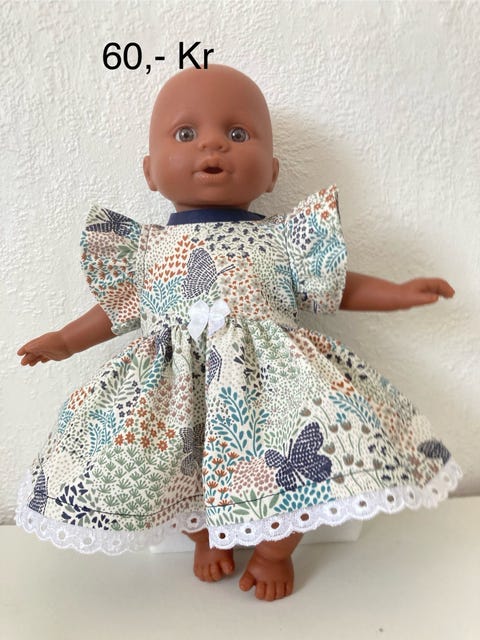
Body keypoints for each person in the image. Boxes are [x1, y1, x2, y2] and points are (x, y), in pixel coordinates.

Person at [17, 64, 461, 602]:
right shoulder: (144, 249)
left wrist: (397, 292)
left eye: (237, 133)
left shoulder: (283, 241)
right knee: (163, 468)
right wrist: (65, 341)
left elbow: (337, 286)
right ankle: (204, 536)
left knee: (313, 451)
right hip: (174, 392)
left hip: (273, 390)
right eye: (186, 133)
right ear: (150, 172)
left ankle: (275, 550)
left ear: (271, 173)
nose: (213, 145)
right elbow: (117, 309)